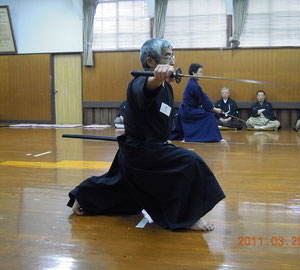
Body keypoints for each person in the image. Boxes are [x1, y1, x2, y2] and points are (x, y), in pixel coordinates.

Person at [67, 38, 225, 231]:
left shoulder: (166, 86)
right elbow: (146, 90)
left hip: (150, 149)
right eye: (167, 56)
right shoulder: (140, 82)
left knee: (126, 194)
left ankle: (82, 196)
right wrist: (156, 78)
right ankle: (187, 218)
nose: (173, 60)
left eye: (173, 55)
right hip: (140, 152)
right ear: (151, 61)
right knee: (190, 162)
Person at [170, 63, 223, 142]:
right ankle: (212, 138)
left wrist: (213, 108)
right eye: (200, 72)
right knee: (209, 116)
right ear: (194, 73)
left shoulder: (193, 83)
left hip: (186, 110)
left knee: (208, 114)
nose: (201, 74)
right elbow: (203, 100)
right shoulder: (193, 85)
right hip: (188, 111)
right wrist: (214, 110)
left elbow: (203, 96)